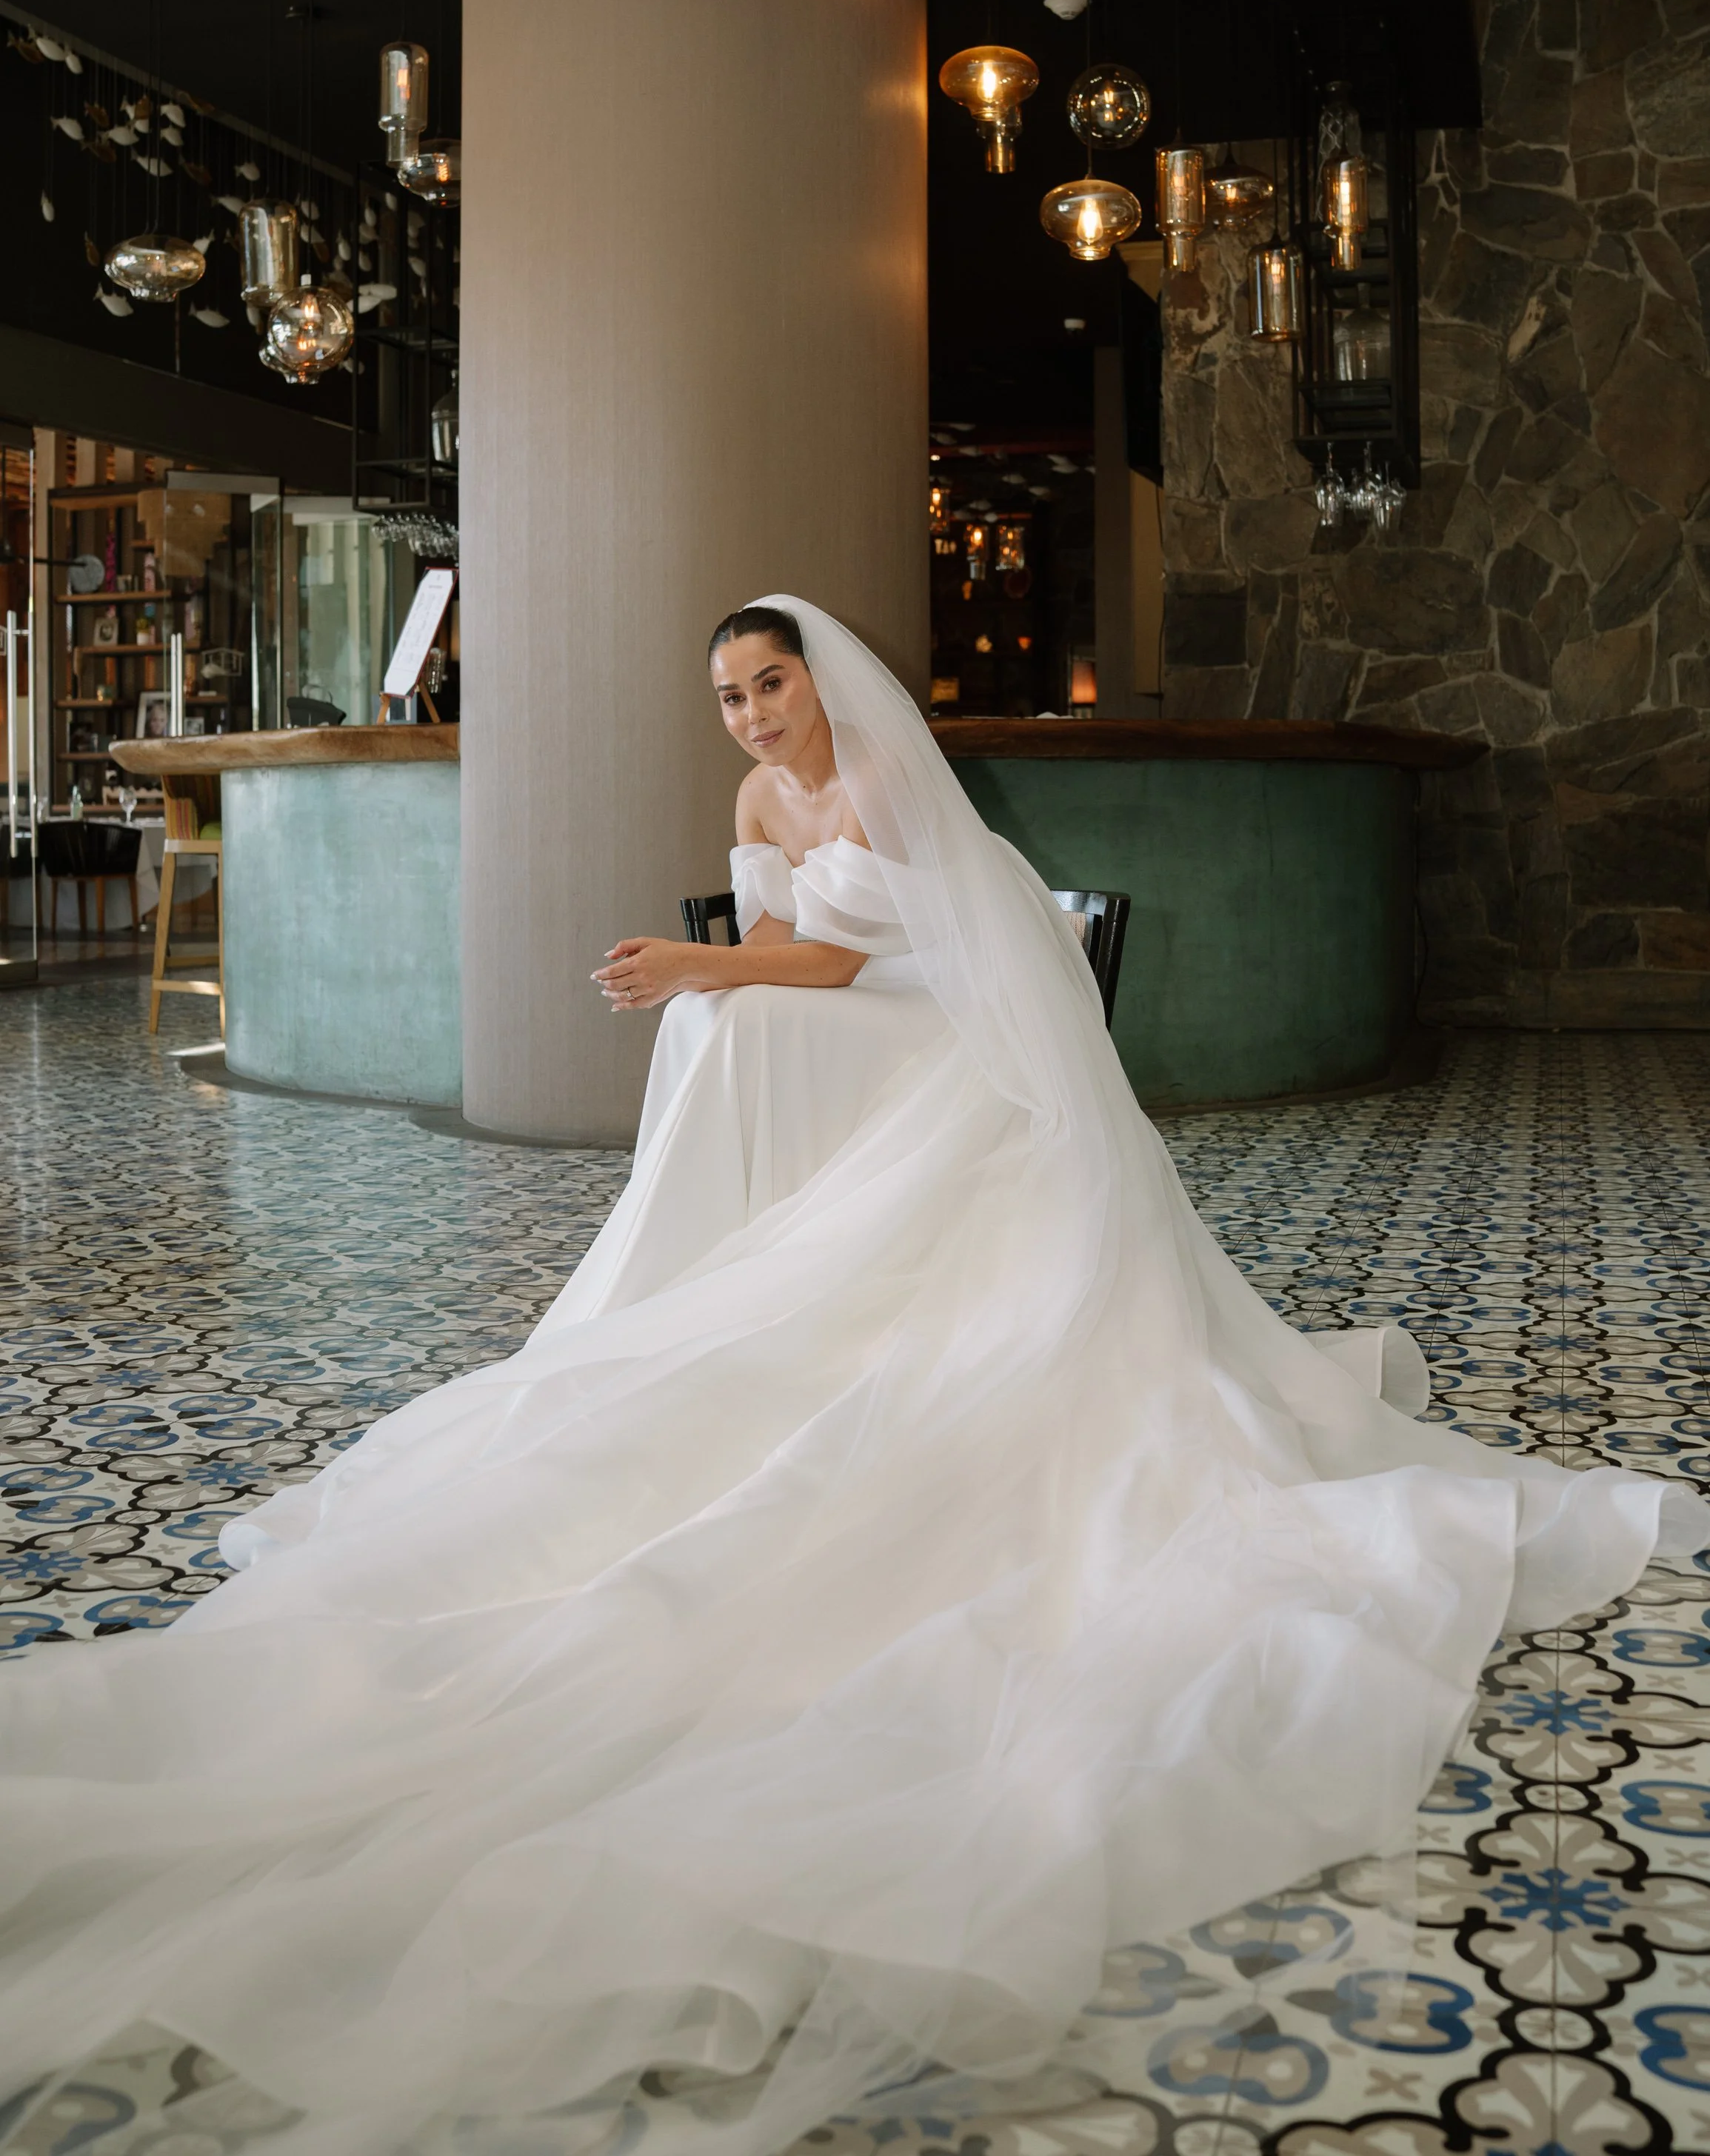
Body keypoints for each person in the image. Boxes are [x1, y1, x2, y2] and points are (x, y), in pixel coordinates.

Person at [1, 595, 1703, 2156]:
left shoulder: (886, 783)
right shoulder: (754, 810)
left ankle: (869, 1298)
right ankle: (727, 1286)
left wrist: (697, 968)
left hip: (959, 1029)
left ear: (822, 681)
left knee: (716, 1006)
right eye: (730, 698)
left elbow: (849, 959)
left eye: (768, 685)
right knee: (709, 1026)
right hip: (848, 1016)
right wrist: (704, 975)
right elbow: (770, 955)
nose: (750, 719)